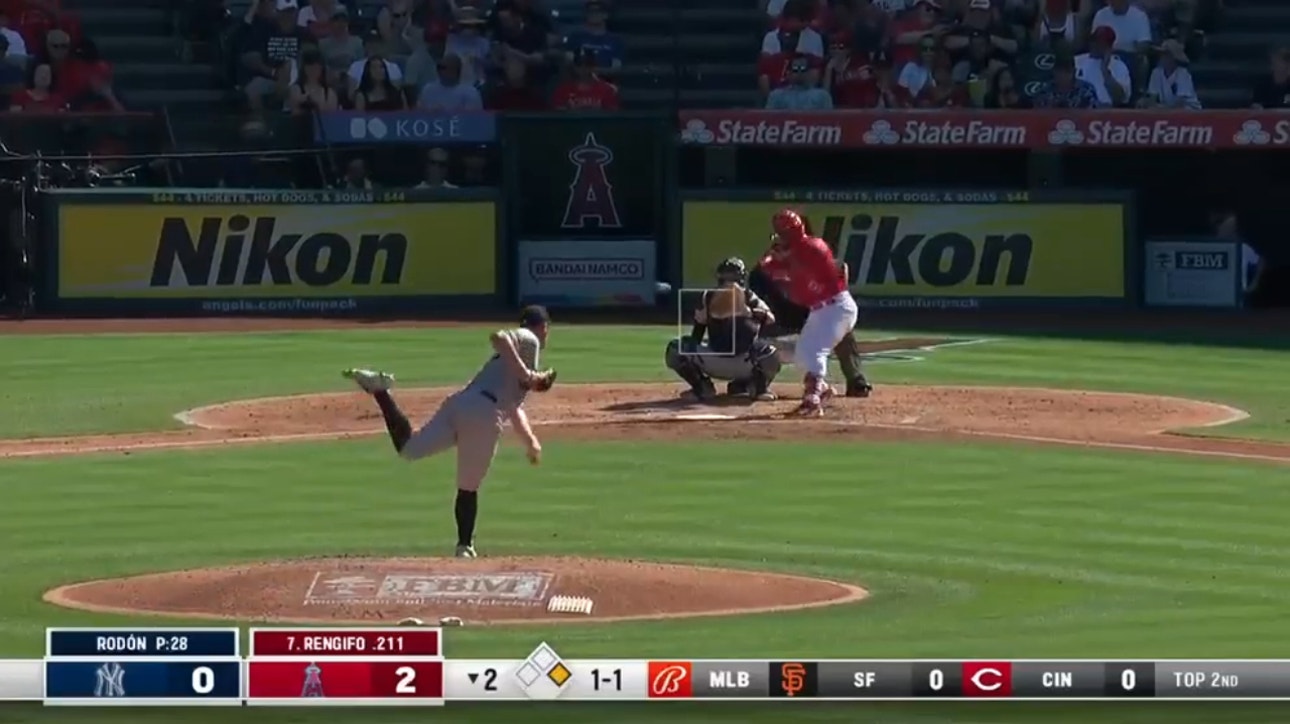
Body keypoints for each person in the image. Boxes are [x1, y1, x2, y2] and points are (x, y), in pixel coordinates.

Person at [342, 306, 557, 558]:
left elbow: (512, 405)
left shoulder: (514, 359)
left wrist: (530, 441)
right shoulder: (529, 339)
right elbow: (498, 337)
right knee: (468, 487)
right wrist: (529, 375)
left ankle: (380, 391)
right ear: (543, 328)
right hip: (484, 415)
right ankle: (464, 546)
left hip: (461, 403)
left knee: (409, 449)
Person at [756, 209, 862, 415]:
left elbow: (792, 267)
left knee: (815, 351)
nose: (779, 238)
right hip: (820, 310)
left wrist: (777, 258)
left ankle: (812, 399)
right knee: (803, 355)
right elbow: (770, 270)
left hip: (837, 307)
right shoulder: (792, 253)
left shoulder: (814, 246)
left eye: (782, 234)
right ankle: (820, 389)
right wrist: (772, 259)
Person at [663, 257, 784, 402]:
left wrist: (748, 312)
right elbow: (698, 332)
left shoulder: (749, 297)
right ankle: (702, 387)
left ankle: (752, 387)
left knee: (771, 352)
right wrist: (692, 355)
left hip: (744, 360)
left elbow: (770, 319)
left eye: (732, 276)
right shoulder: (708, 297)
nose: (729, 281)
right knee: (677, 348)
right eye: (726, 276)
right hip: (715, 357)